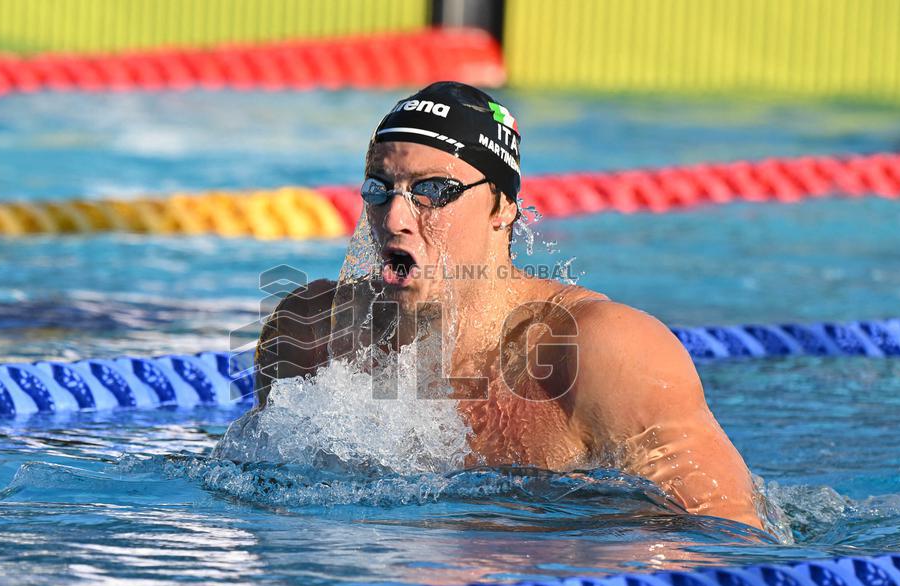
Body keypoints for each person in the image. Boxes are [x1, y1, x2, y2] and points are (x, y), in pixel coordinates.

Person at [251, 81, 763, 530]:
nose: (395, 217)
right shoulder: (313, 333)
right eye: (380, 189)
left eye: (433, 190)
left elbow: (726, 537)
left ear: (503, 206)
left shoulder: (601, 351)